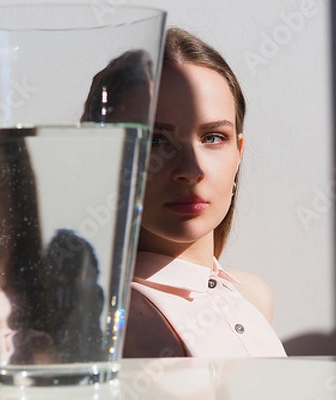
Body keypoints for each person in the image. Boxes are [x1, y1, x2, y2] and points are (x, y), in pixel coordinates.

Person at [121, 27, 287, 358]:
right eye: (156, 140)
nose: (190, 169)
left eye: (213, 137)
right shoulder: (110, 321)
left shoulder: (254, 296)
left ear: (238, 153)